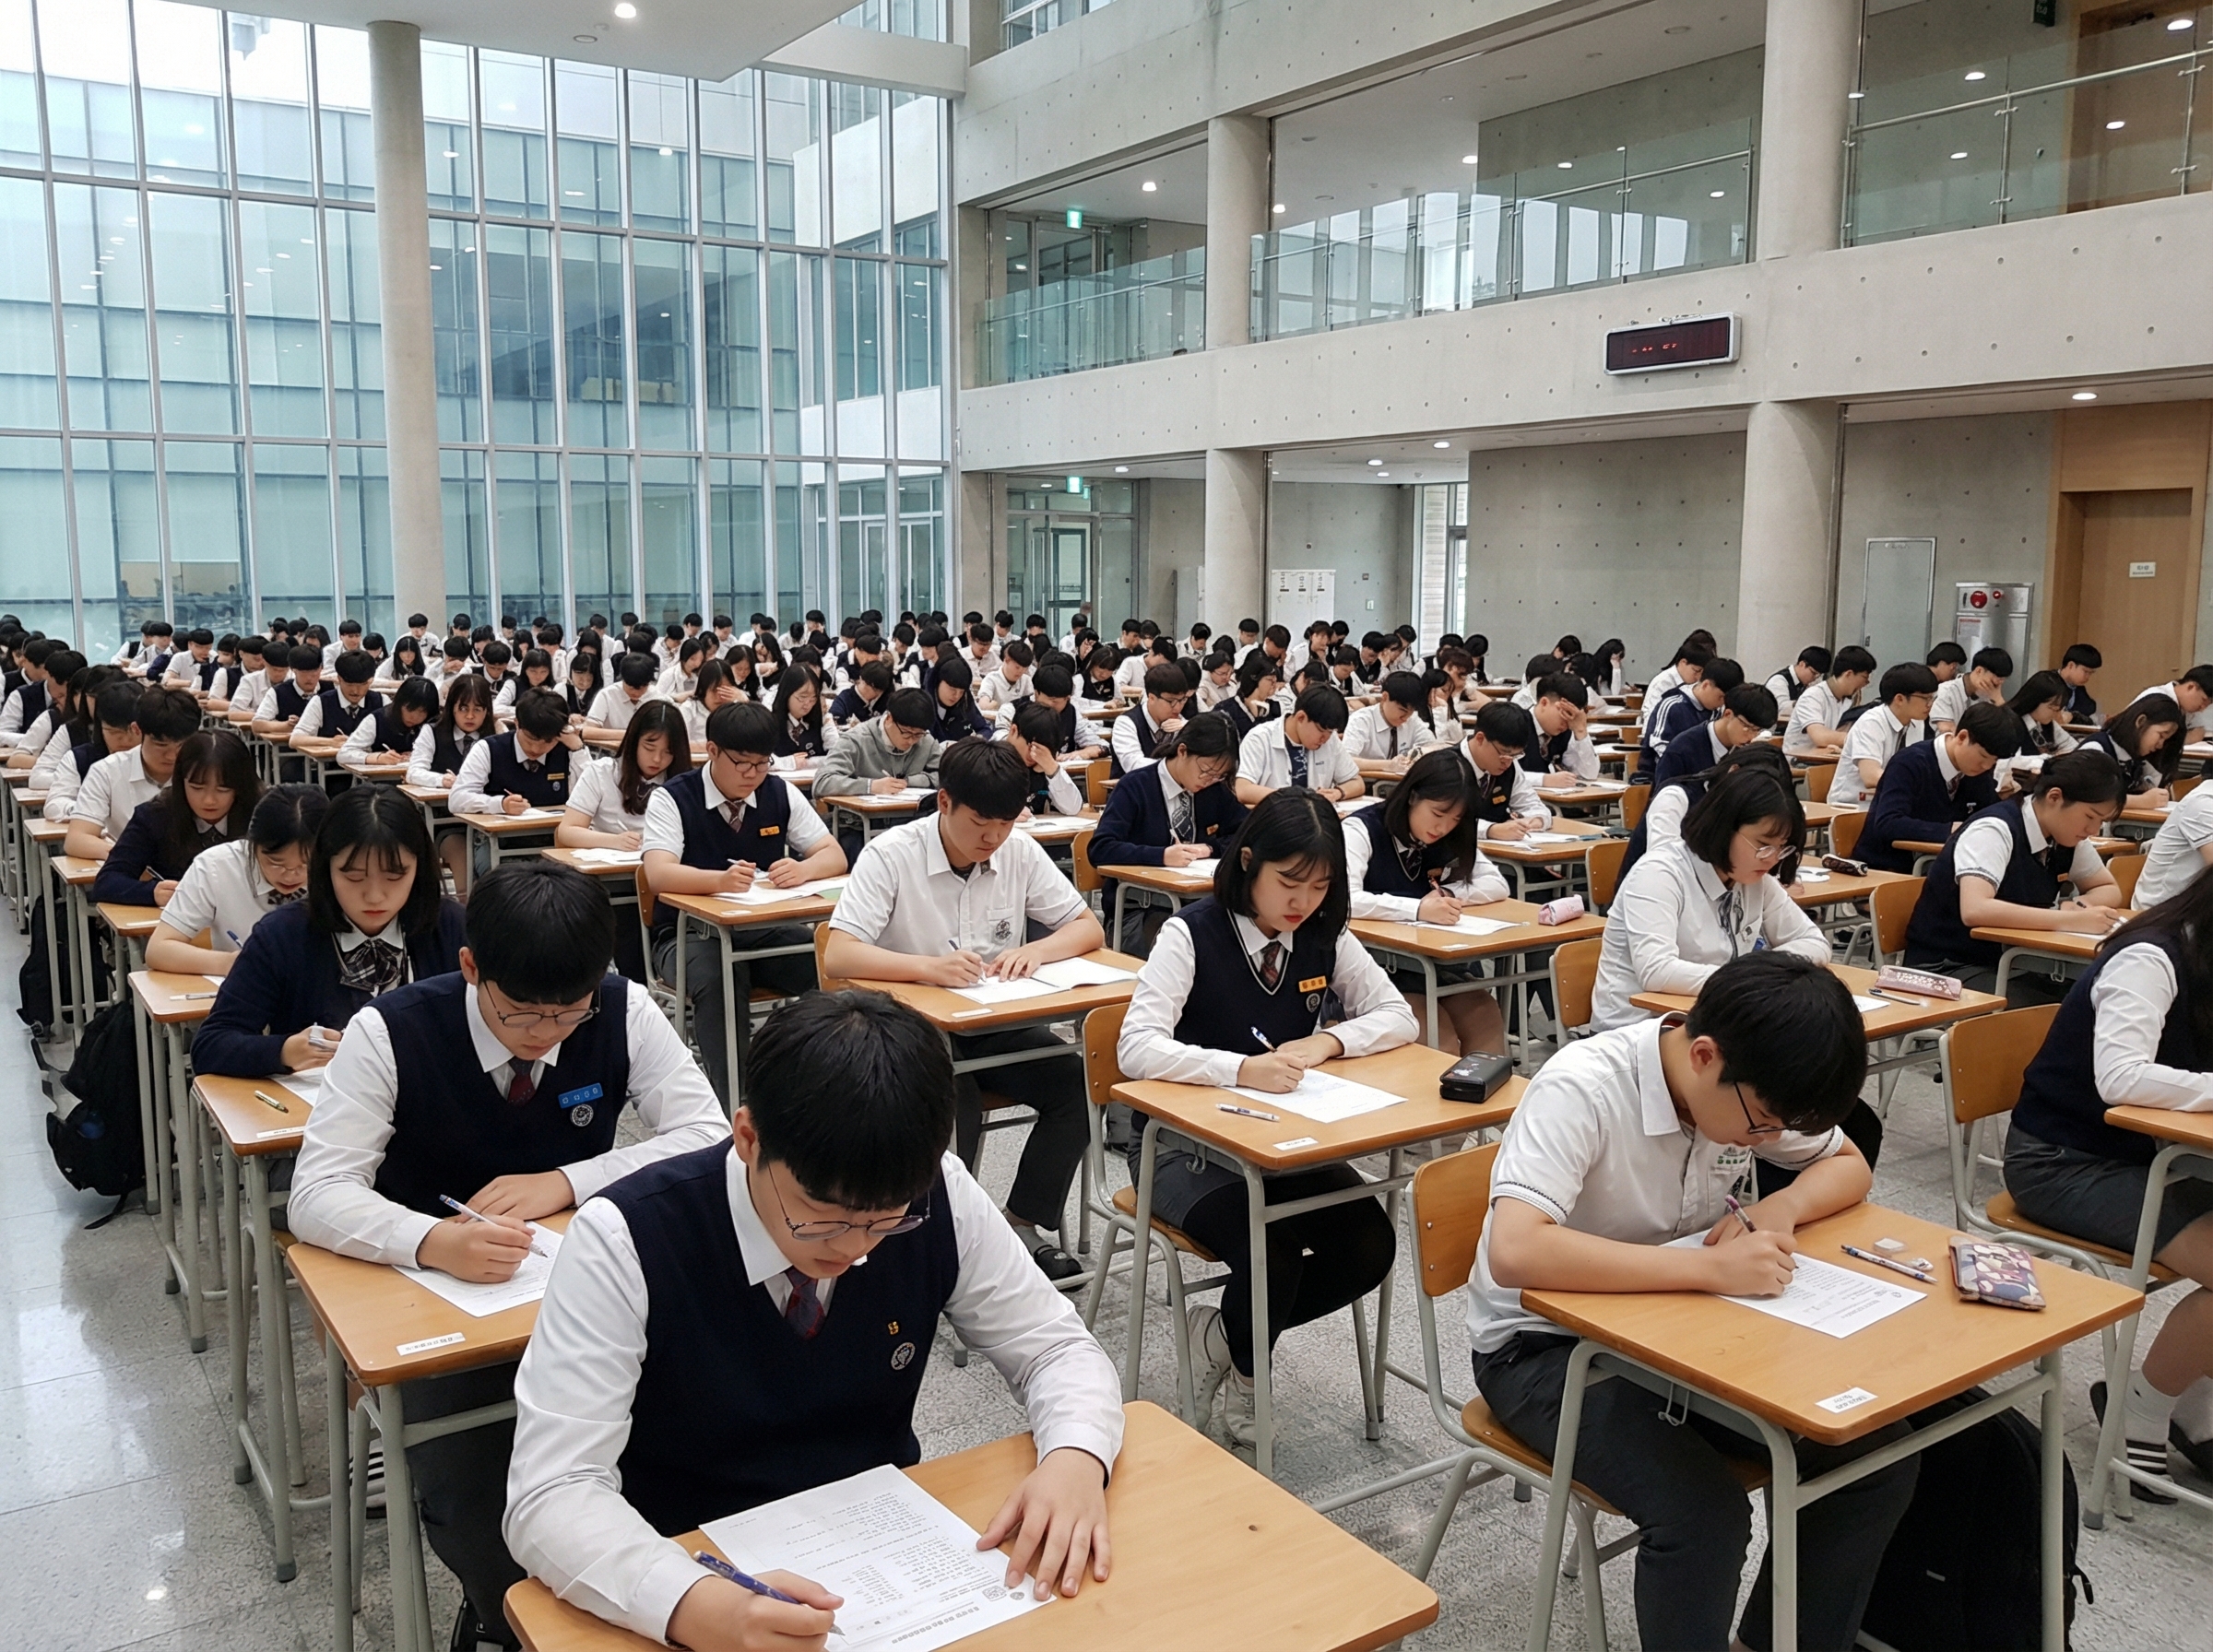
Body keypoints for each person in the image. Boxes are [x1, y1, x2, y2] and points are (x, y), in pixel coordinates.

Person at [503, 984, 1122, 1645]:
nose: (855, 1248)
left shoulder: (939, 1193)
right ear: (748, 1138)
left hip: (880, 1563)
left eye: (884, 1220)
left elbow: (1055, 1349)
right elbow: (553, 1493)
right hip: (686, 1560)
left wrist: (1076, 1457)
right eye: (821, 1217)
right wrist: (692, 1604)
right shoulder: (626, 1237)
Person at [288, 860, 729, 1652]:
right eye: (523, 1014)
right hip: (437, 1305)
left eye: (569, 1014)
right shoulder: (390, 1030)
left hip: (579, 1284)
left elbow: (706, 1135)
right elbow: (316, 1194)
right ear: (470, 968)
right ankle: (502, 1620)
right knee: (474, 1494)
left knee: (691, 1449)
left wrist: (567, 1180)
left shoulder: (621, 1009)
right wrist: (431, 1240)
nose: (547, 1033)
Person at [1473, 950, 1909, 1652]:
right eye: (1761, 1125)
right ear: (1704, 1055)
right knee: (1703, 1515)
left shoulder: (1749, 1081)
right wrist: (1709, 1274)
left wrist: (1782, 1210)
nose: (1764, 1141)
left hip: (1682, 1330)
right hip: (1543, 1350)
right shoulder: (1584, 1086)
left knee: (1870, 1455)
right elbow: (1517, 1251)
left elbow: (1847, 1161)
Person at [1117, 789, 1415, 1445]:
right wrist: (1235, 1068)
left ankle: (1219, 1338)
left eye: (1320, 885)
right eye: (1288, 882)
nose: (1301, 901)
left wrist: (1328, 1041)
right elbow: (1134, 1048)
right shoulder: (1191, 932)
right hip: (1182, 1150)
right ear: (1248, 861)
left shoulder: (1323, 935)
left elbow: (1399, 1016)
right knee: (1270, 1256)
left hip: (1284, 1143)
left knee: (1370, 1247)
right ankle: (1252, 1377)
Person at [822, 739, 1103, 1280]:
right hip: (912, 1033)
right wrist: (928, 967)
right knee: (955, 1099)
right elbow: (839, 952)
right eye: (981, 823)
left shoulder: (1015, 849)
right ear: (945, 802)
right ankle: (945, 1239)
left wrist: (1036, 949)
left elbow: (1086, 927)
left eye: (1005, 822)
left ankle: (1021, 1222)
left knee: (1075, 1079)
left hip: (992, 1022)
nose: (992, 838)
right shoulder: (893, 853)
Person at [2007, 869, 2213, 1501]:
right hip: (2063, 1160)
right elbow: (2120, 1078)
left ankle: (2193, 1413)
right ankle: (2140, 1414)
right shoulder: (2152, 956)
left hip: (2158, 1158)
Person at [193, 785, 468, 1079]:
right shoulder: (284, 935)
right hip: (320, 1112)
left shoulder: (449, 925)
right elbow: (211, 1045)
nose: (375, 896)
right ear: (325, 869)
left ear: (420, 868)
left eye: (394, 875)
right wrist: (284, 1051)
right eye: (353, 876)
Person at [642, 701, 844, 1102]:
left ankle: (820, 1086)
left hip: (761, 929)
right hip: (688, 937)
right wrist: (719, 880)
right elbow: (658, 873)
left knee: (829, 966)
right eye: (742, 763)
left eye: (762, 763)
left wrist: (803, 870)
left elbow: (833, 854)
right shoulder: (673, 798)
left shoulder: (779, 791)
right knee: (721, 981)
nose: (752, 774)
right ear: (712, 751)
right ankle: (736, 1106)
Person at [1591, 764, 1828, 1031]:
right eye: (1763, 846)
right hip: (1637, 1033)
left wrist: (1759, 971)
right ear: (1725, 828)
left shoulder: (1753, 878)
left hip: (1710, 1020)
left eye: (1781, 849)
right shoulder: (1659, 874)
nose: (1772, 859)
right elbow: (1657, 972)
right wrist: (1749, 977)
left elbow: (1814, 943)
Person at [1902, 748, 2128, 1004]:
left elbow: (2108, 888)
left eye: (2101, 821)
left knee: (2107, 993)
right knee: (2069, 1010)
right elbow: (1975, 909)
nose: (2093, 830)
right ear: (2055, 797)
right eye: (2090, 817)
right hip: (1948, 968)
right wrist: (2067, 920)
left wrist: (2080, 907)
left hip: (2015, 960)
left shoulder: (2065, 835)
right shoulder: (1994, 829)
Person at [1343, 747, 1510, 1055]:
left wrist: (1448, 895)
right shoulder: (1362, 829)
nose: (1443, 827)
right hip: (1377, 967)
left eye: (1455, 818)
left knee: (1484, 1013)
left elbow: (1497, 884)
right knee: (1438, 1034)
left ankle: (1495, 1101)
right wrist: (1417, 907)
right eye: (1437, 814)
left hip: (1435, 962)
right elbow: (1346, 900)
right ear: (1412, 796)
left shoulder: (1452, 833)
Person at [1090, 713, 1245, 951]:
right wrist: (1160, 856)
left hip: (1199, 905)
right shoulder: (1136, 786)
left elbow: (1248, 832)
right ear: (1182, 751)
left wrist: (1211, 848)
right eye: (1206, 770)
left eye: (1220, 776)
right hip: (1139, 911)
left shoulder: (1213, 790)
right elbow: (1100, 848)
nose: (1210, 780)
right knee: (1189, 948)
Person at [147, 785, 325, 978]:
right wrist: (231, 963)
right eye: (276, 863)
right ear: (252, 844)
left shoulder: (338, 870)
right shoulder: (216, 867)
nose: (291, 876)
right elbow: (158, 950)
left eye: (305, 865)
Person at [92, 729, 261, 909]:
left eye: (223, 790)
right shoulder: (155, 815)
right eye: (197, 788)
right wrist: (152, 892)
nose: (209, 800)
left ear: (241, 786)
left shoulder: (265, 814)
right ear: (181, 781)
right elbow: (107, 881)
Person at [1860, 701, 2018, 873]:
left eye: (1994, 761)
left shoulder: (1976, 772)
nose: (1986, 766)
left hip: (1937, 867)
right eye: (1983, 756)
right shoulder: (1910, 763)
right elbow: (1888, 823)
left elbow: (1990, 813)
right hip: (1885, 868)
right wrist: (1950, 829)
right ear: (1962, 737)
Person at [65, 683, 197, 864]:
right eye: (161, 745)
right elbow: (77, 839)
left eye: (182, 746)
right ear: (137, 730)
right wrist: (129, 858)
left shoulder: (205, 768)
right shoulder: (107, 771)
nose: (172, 756)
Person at [561, 700, 689, 852]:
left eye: (668, 752)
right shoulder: (601, 772)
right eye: (649, 748)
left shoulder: (683, 783)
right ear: (633, 742)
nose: (657, 759)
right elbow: (566, 831)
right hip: (605, 866)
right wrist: (614, 841)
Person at [450, 689, 585, 820]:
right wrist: (500, 804)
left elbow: (594, 798)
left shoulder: (568, 749)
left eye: (548, 742)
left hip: (557, 835)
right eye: (530, 740)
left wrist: (579, 750)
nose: (536, 749)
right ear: (517, 723)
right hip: (500, 837)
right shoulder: (489, 749)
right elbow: (457, 799)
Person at [1827, 661, 1936, 808]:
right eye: (1925, 699)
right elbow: (1870, 776)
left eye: (1932, 698)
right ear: (1899, 699)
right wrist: (1913, 784)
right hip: (1853, 806)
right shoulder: (1871, 723)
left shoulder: (1917, 722)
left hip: (1889, 802)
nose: (1930, 704)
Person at [1234, 683, 1362, 804]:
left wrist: (1338, 793)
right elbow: (1243, 789)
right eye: (1321, 731)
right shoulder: (1260, 738)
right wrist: (1295, 799)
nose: (1326, 739)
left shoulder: (1330, 740)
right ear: (1301, 717)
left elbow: (1357, 782)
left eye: (1331, 732)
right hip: (1277, 820)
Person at [1459, 699, 1547, 842]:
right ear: (1480, 738)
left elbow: (1531, 804)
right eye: (1504, 753)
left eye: (1515, 755)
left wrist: (1535, 820)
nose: (1508, 762)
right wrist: (1490, 830)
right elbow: (1442, 820)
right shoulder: (1449, 765)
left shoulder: (1510, 764)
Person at [2087, 692, 2184, 805]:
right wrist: (2144, 801)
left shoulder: (2136, 759)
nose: (2160, 745)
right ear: (2141, 721)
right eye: (2161, 736)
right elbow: (2089, 799)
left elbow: (2155, 783)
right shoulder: (2096, 749)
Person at [1782, 644, 1874, 756]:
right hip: (1798, 763)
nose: (1865, 684)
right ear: (1848, 674)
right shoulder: (1813, 696)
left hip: (1823, 759)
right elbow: (1820, 737)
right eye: (1865, 678)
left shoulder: (1846, 701)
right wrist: (1860, 738)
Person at [339, 673, 439, 771]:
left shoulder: (433, 724)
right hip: (381, 782)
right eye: (409, 709)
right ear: (399, 704)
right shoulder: (378, 719)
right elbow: (344, 754)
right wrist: (377, 758)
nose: (414, 717)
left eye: (421, 712)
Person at [1109, 661, 1190, 779]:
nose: (1178, 707)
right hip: (1133, 793)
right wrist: (1176, 767)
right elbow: (1135, 765)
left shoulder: (1181, 722)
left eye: (1182, 700)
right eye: (1171, 701)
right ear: (1151, 698)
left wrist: (1189, 727)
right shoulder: (1126, 723)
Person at [1003, 701, 1084, 817]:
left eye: (1042, 750)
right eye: (1032, 746)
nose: (1034, 754)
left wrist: (1051, 768)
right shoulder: (990, 761)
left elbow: (1073, 808)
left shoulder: (1045, 765)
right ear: (1013, 731)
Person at [1342, 670, 1438, 763]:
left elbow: (1433, 747)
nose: (1405, 718)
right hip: (1367, 779)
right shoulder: (1361, 720)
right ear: (1385, 697)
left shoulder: (1412, 720)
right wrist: (1388, 765)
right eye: (1402, 710)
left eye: (1411, 712)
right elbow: (1347, 760)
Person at [294, 647, 384, 740]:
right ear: (339, 679)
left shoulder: (382, 701)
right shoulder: (321, 702)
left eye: (362, 685)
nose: (355, 691)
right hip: (331, 754)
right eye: (349, 684)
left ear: (371, 681)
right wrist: (331, 742)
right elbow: (296, 739)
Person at [1929, 646, 2011, 734]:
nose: (1995, 689)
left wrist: (1998, 700)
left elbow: (2010, 731)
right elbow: (1947, 731)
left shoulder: (1990, 697)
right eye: (1993, 684)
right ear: (1979, 671)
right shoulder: (1946, 691)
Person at [586, 650, 661, 733]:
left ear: (649, 683)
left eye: (641, 688)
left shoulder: (658, 698)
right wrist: (628, 736)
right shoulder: (607, 695)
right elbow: (588, 731)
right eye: (631, 688)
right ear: (623, 679)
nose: (636, 693)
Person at [2134, 665, 2213, 741]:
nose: (2202, 709)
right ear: (2191, 687)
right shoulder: (2158, 701)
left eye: (2208, 705)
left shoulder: (2186, 704)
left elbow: (2198, 732)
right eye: (2203, 701)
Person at [770, 667, 831, 761]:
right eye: (802, 697)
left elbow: (836, 754)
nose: (808, 704)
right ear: (787, 694)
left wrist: (828, 722)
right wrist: (790, 763)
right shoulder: (770, 724)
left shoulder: (821, 721)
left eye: (813, 698)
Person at [927, 655, 992, 743]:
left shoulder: (965, 702)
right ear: (938, 682)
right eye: (952, 689)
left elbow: (984, 729)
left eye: (961, 692)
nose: (956, 696)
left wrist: (978, 739)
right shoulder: (924, 705)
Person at [2058, 643, 2102, 724]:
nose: (2088, 677)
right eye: (2085, 672)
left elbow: (2089, 710)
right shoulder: (2048, 682)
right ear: (2071, 665)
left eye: (2091, 673)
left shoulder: (2080, 689)